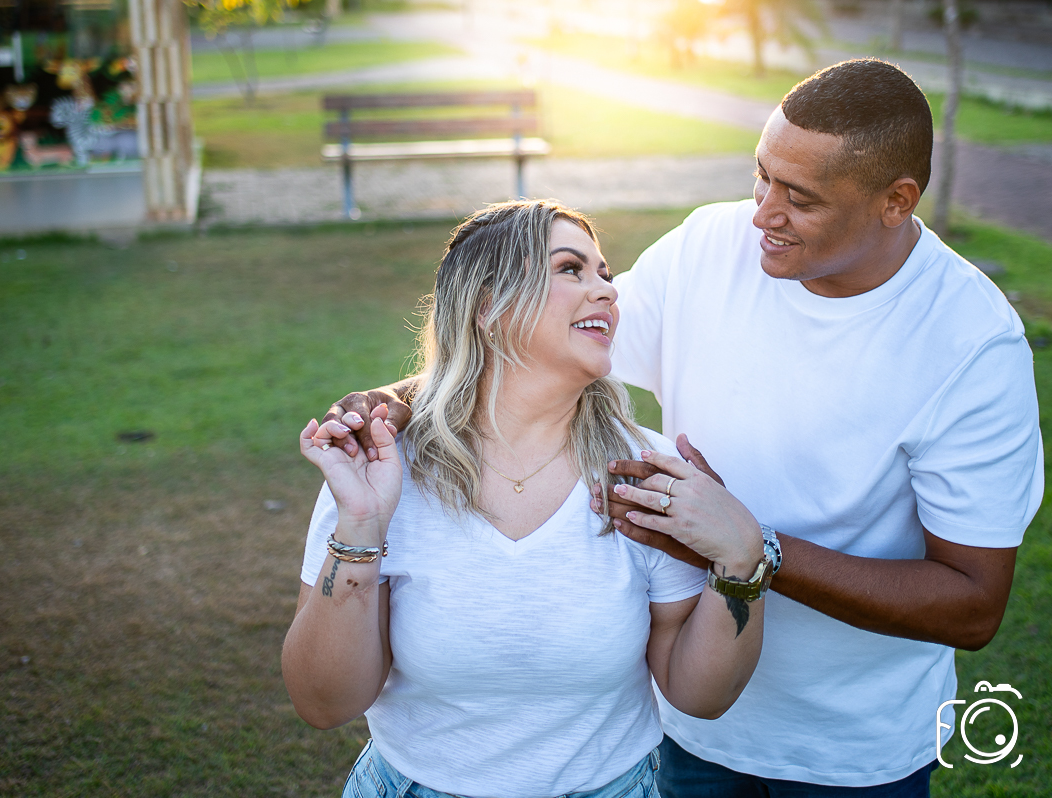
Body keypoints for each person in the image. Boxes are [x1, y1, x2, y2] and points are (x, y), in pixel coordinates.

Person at [320, 59, 1043, 796]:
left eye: (800, 198)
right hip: (684, 722)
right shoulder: (714, 245)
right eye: (762, 175)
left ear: (896, 202)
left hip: (848, 748)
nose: (762, 213)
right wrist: (397, 399)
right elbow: (558, 337)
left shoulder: (971, 344)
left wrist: (751, 547)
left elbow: (973, 604)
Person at [282, 200, 773, 798]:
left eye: (605, 275)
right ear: (489, 306)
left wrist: (743, 561)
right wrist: (361, 524)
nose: (606, 292)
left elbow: (700, 696)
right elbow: (324, 702)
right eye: (572, 269)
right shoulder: (381, 465)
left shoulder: (642, 472)